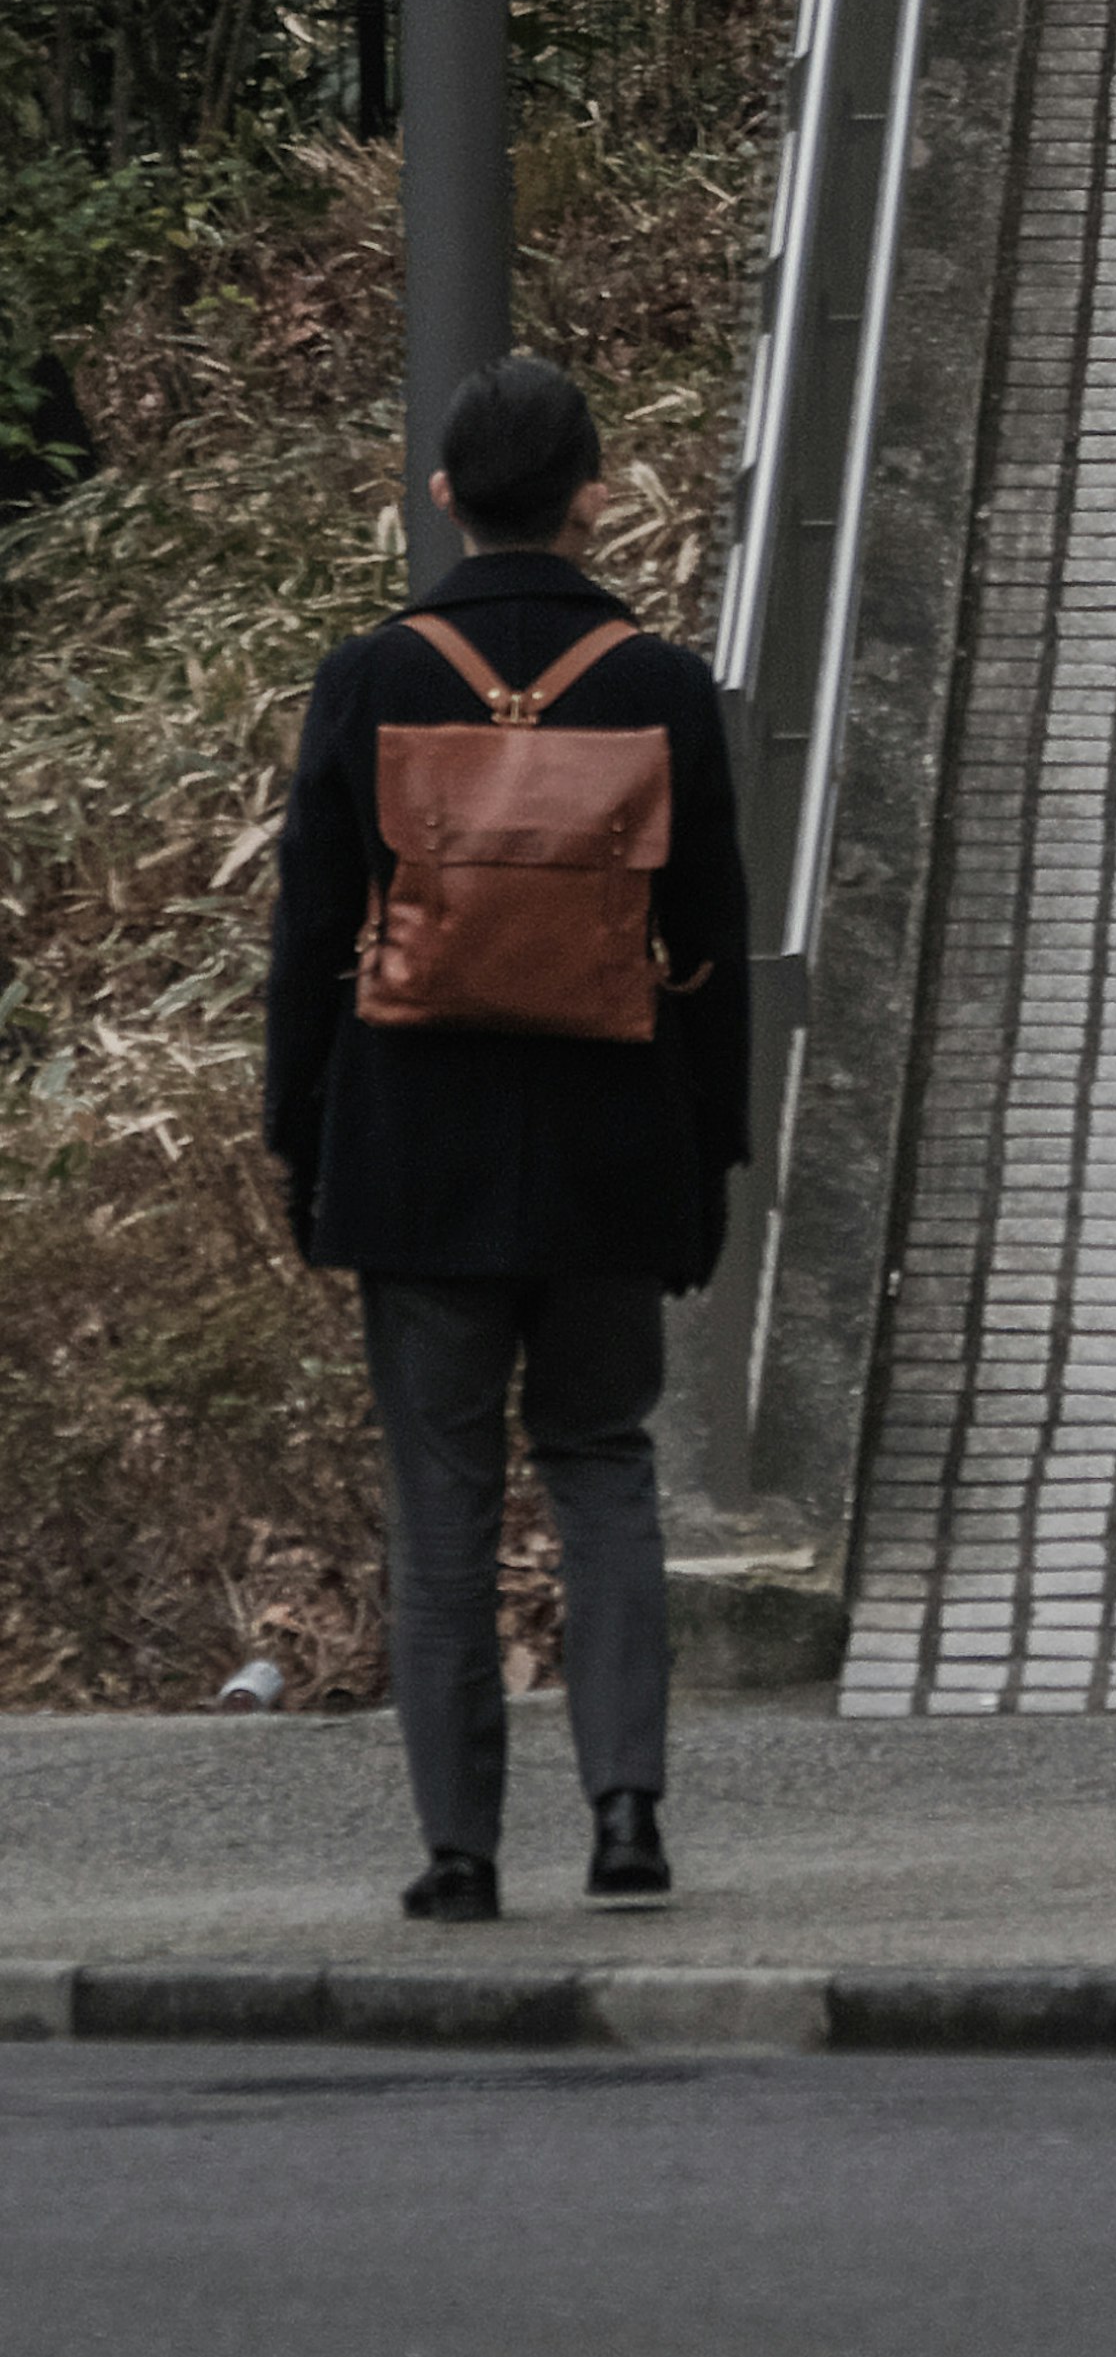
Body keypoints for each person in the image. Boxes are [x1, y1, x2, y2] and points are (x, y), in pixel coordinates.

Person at [265, 355, 750, 1922]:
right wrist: (712, 1152)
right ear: (595, 493)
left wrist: (301, 1137)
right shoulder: (662, 687)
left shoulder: (369, 676)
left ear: (444, 495)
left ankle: (460, 1851)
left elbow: (312, 931)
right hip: (615, 1142)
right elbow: (714, 940)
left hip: (413, 1147)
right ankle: (626, 1816)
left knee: (443, 1498)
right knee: (605, 1466)